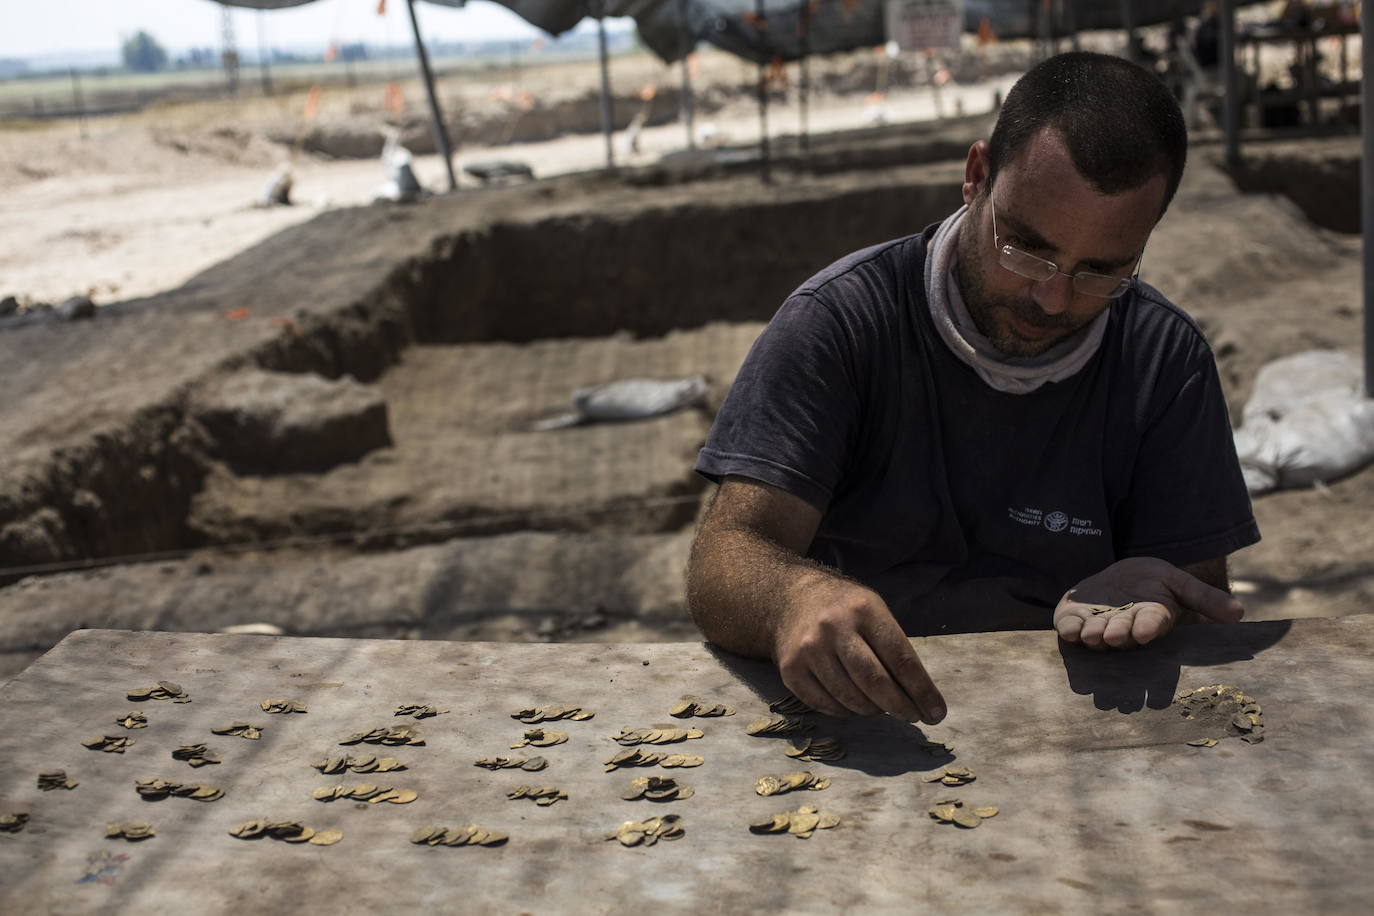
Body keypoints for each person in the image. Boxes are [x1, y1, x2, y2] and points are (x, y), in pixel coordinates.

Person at [686, 52, 1259, 726]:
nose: (1051, 298)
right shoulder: (841, 323)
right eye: (1025, 248)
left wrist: (1163, 604)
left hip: (1072, 722)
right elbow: (723, 561)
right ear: (976, 176)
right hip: (864, 716)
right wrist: (793, 599)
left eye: (1102, 271)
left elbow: (1200, 594)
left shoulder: (1163, 358)